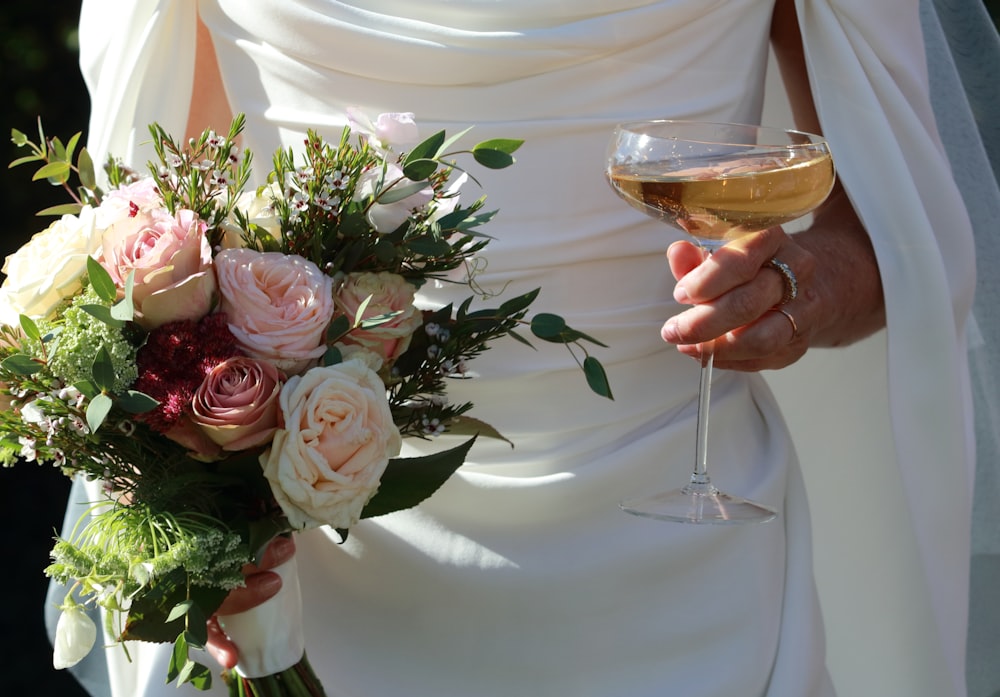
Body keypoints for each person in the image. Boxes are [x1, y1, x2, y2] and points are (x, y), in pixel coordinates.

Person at [50, 0, 996, 695]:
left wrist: (798, 290)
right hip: (324, 567)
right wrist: (192, 514)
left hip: (681, 554)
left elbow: (908, 230)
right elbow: (170, 216)